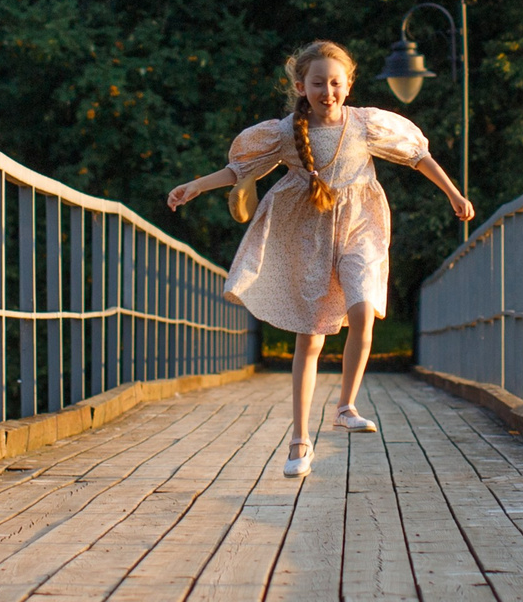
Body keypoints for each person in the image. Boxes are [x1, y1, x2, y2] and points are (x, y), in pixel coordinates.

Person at [166, 39, 475, 477]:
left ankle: (345, 404)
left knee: (365, 312)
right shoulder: (284, 132)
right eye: (317, 83)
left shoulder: (366, 125)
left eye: (335, 82)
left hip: (360, 230)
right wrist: (196, 185)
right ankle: (299, 441)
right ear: (301, 85)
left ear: (348, 84)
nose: (327, 91)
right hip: (308, 238)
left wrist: (454, 193)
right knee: (310, 340)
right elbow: (241, 171)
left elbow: (418, 156)